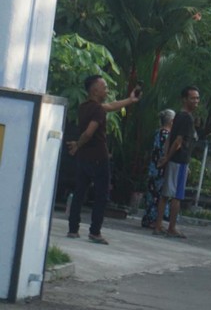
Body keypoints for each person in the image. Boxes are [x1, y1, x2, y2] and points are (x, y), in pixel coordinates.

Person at [66, 75, 141, 244]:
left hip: (84, 157)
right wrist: (78, 144)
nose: (107, 90)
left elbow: (111, 106)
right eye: (104, 87)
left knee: (79, 193)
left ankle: (73, 229)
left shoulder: (84, 106)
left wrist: (130, 100)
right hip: (99, 157)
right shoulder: (98, 110)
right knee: (101, 195)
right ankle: (95, 232)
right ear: (95, 90)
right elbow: (89, 132)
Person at [154, 86, 200, 238]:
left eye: (197, 98)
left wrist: (166, 155)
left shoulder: (179, 116)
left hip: (174, 158)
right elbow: (178, 140)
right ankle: (171, 227)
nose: (196, 101)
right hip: (179, 159)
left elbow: (171, 138)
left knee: (166, 193)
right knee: (176, 195)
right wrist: (167, 157)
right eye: (193, 98)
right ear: (185, 99)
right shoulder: (186, 118)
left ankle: (159, 224)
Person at [141, 109, 175, 228]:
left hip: (154, 168)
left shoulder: (158, 132)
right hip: (161, 169)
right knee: (158, 195)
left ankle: (150, 219)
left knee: (152, 194)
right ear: (171, 121)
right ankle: (153, 220)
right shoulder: (166, 135)